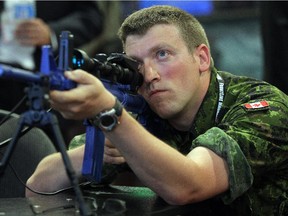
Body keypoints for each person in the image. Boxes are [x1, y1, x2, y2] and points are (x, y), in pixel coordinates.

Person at [25, 5, 288, 216]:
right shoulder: (139, 109)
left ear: (202, 58)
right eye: (136, 63)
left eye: (162, 54)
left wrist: (112, 117)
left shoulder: (262, 106)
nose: (149, 75)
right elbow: (39, 185)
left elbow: (189, 185)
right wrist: (100, 148)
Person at [0, 1, 104, 144]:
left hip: (44, 86)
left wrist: (52, 33)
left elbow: (91, 17)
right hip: (3, 80)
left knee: (40, 153)